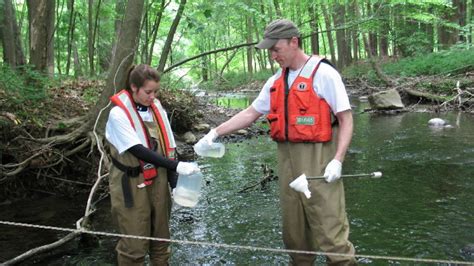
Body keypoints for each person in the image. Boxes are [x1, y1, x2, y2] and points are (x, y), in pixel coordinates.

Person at [196, 19, 356, 265]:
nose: (272, 55)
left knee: (331, 232)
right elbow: (250, 113)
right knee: (295, 236)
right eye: (269, 50)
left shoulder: (324, 74)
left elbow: (346, 119)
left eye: (276, 48)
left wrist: (338, 160)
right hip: (287, 160)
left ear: (294, 42)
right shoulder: (275, 81)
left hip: (320, 160)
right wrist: (215, 133)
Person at [105, 64, 200, 265]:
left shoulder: (157, 109)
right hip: (131, 183)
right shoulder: (118, 115)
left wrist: (175, 184)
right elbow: (137, 150)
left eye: (156, 91)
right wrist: (176, 167)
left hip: (159, 180)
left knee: (161, 241)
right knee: (134, 246)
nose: (153, 96)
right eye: (148, 92)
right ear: (133, 87)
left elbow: (169, 148)